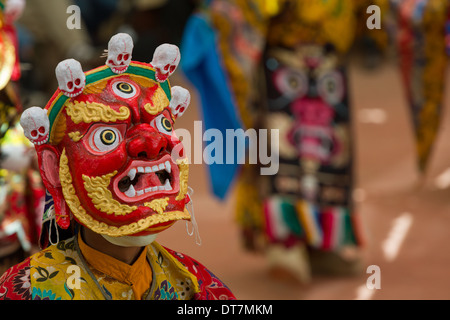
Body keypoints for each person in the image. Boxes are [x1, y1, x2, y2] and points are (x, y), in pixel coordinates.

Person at [0, 32, 235, 300]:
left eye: (163, 125)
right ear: (54, 170)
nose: (152, 143)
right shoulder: (25, 291)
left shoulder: (199, 287)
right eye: (107, 136)